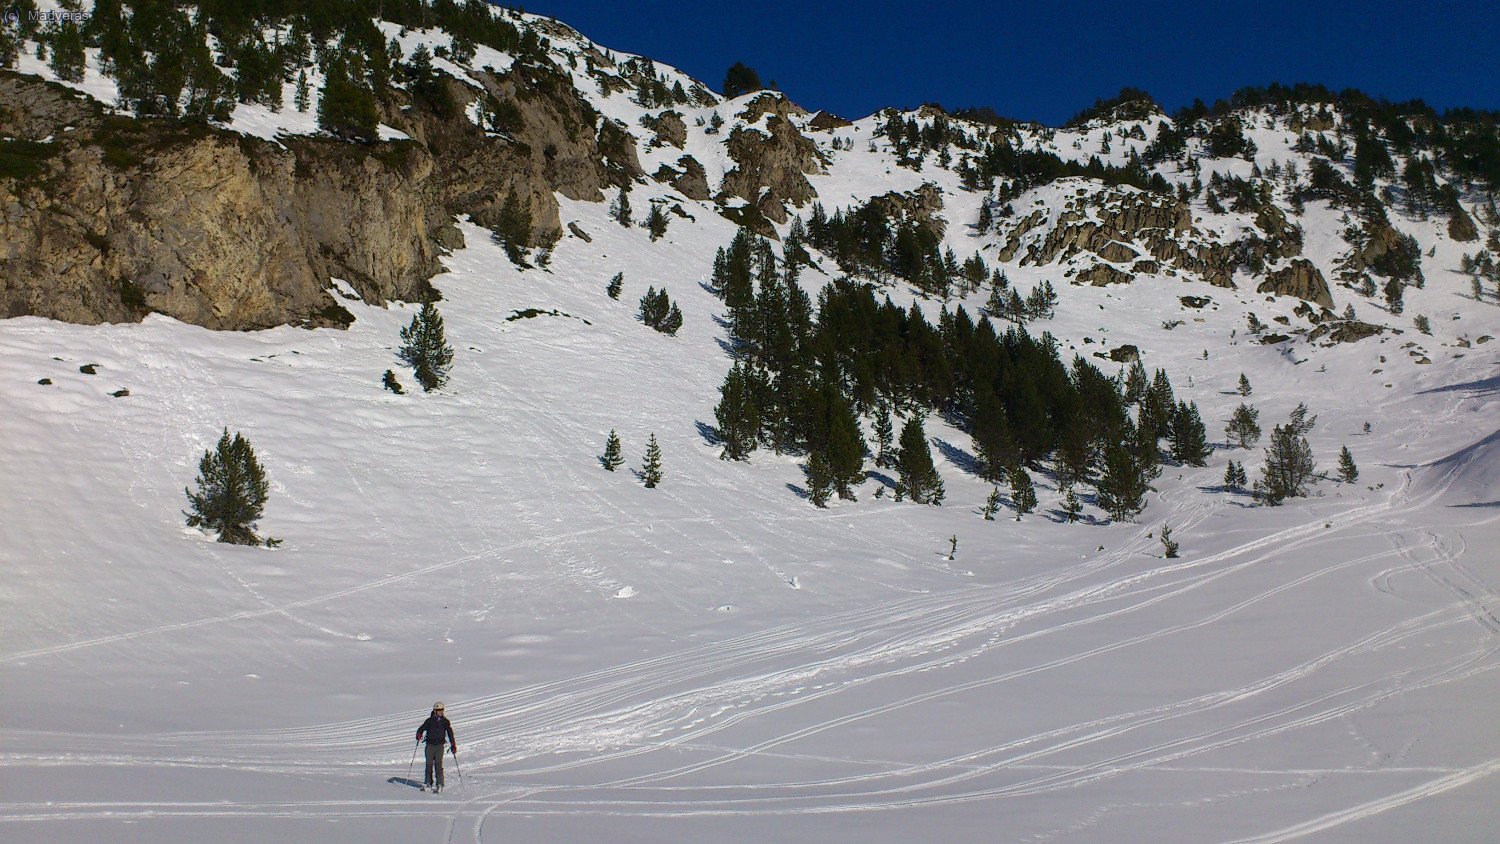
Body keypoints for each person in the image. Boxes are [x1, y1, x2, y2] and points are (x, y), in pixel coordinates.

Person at [415, 702, 456, 792]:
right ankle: (428, 783)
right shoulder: (429, 721)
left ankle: (440, 784)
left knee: (438, 764)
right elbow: (421, 729)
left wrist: (453, 744)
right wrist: (419, 734)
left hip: (440, 746)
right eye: (439, 710)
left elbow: (450, 733)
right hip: (430, 745)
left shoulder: (445, 722)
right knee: (428, 764)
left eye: (442, 710)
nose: (441, 712)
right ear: (435, 711)